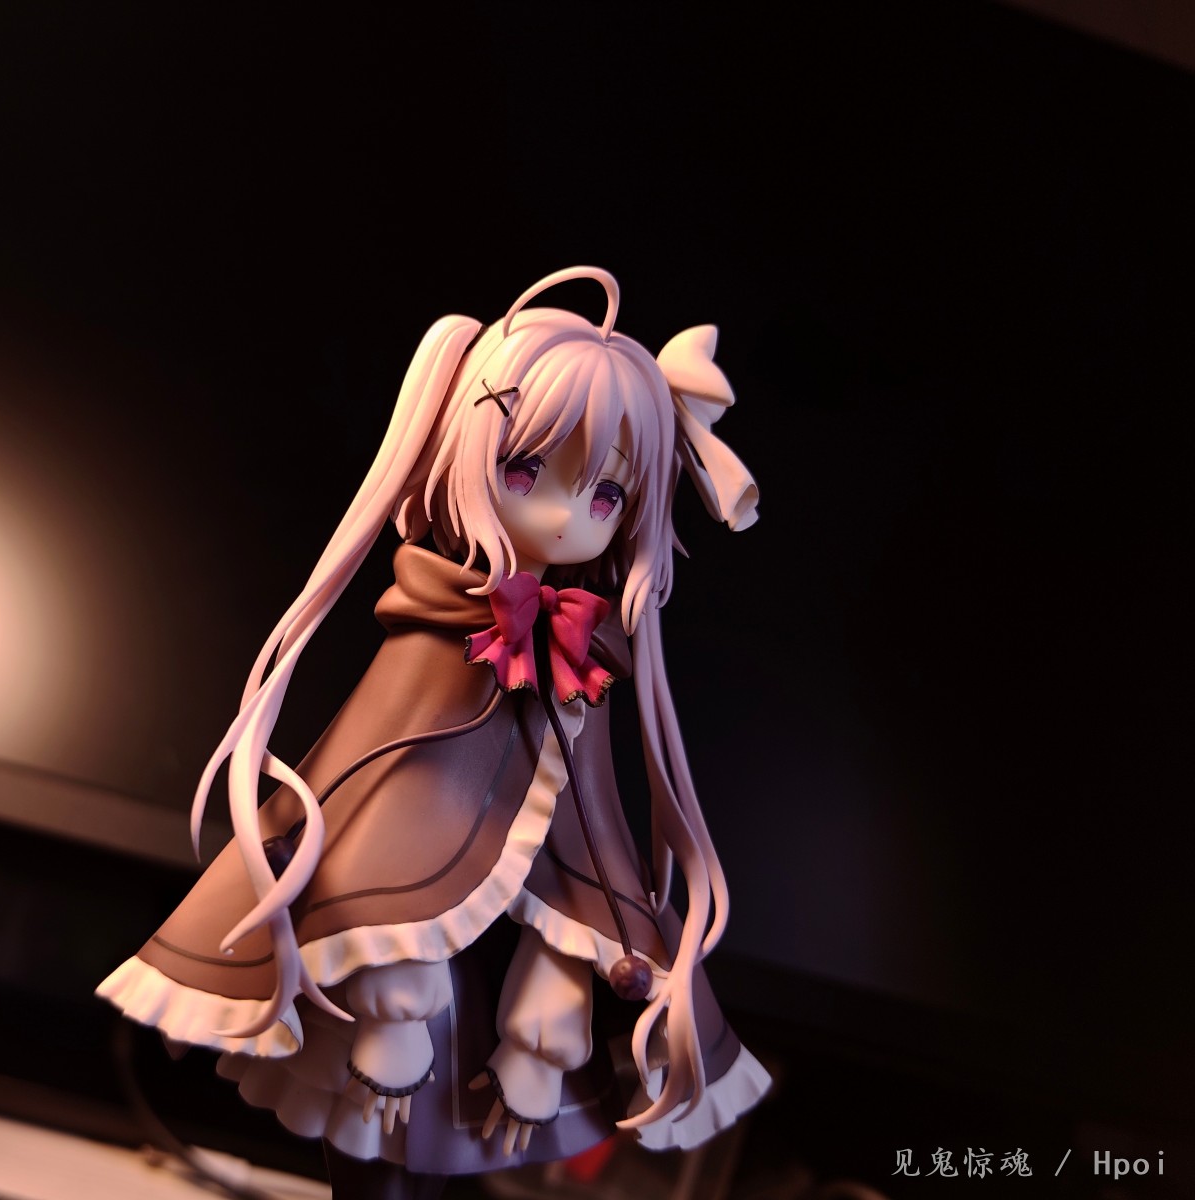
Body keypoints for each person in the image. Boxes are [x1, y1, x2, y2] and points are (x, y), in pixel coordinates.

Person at [99, 267, 771, 1195]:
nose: (563, 516)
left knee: (472, 1108)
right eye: (526, 470)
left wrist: (551, 1016)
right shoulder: (434, 626)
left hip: (492, 990)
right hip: (382, 984)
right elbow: (376, 813)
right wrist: (395, 998)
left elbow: (588, 831)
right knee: (373, 1113)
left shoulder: (586, 645)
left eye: (606, 498)